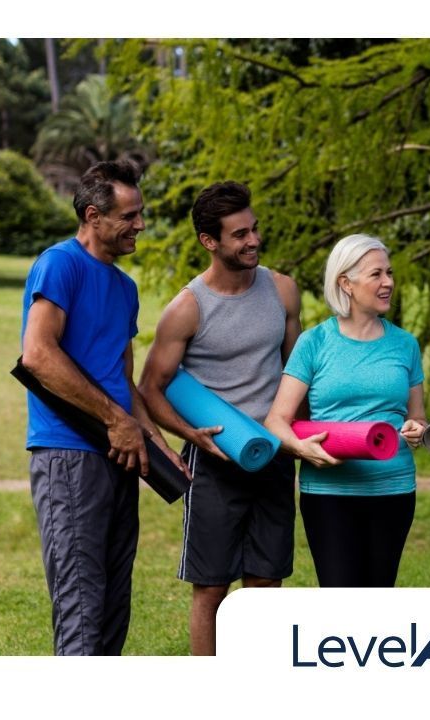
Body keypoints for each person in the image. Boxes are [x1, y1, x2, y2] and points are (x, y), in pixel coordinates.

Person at [20, 159, 184, 655]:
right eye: (129, 216)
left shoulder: (124, 287)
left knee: (113, 605)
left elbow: (121, 379)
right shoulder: (59, 264)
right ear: (93, 215)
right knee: (82, 607)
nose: (140, 225)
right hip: (69, 453)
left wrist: (156, 443)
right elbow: (39, 355)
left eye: (141, 214)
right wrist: (116, 422)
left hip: (121, 454)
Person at [137, 181, 302, 655]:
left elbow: (298, 375)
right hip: (214, 461)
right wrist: (190, 433)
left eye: (254, 229)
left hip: (271, 456)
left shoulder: (283, 291)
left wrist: (305, 437)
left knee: (267, 584)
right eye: (239, 234)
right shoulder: (187, 308)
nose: (252, 240)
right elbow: (151, 386)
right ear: (210, 241)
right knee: (211, 589)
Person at [264, 234, 426, 587]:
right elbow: (277, 420)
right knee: (340, 599)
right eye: (376, 274)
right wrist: (301, 448)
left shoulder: (405, 344)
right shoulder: (315, 342)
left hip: (394, 489)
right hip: (329, 493)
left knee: (378, 594)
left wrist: (417, 428)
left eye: (390, 273)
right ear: (345, 283)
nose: (388, 283)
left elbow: (418, 416)